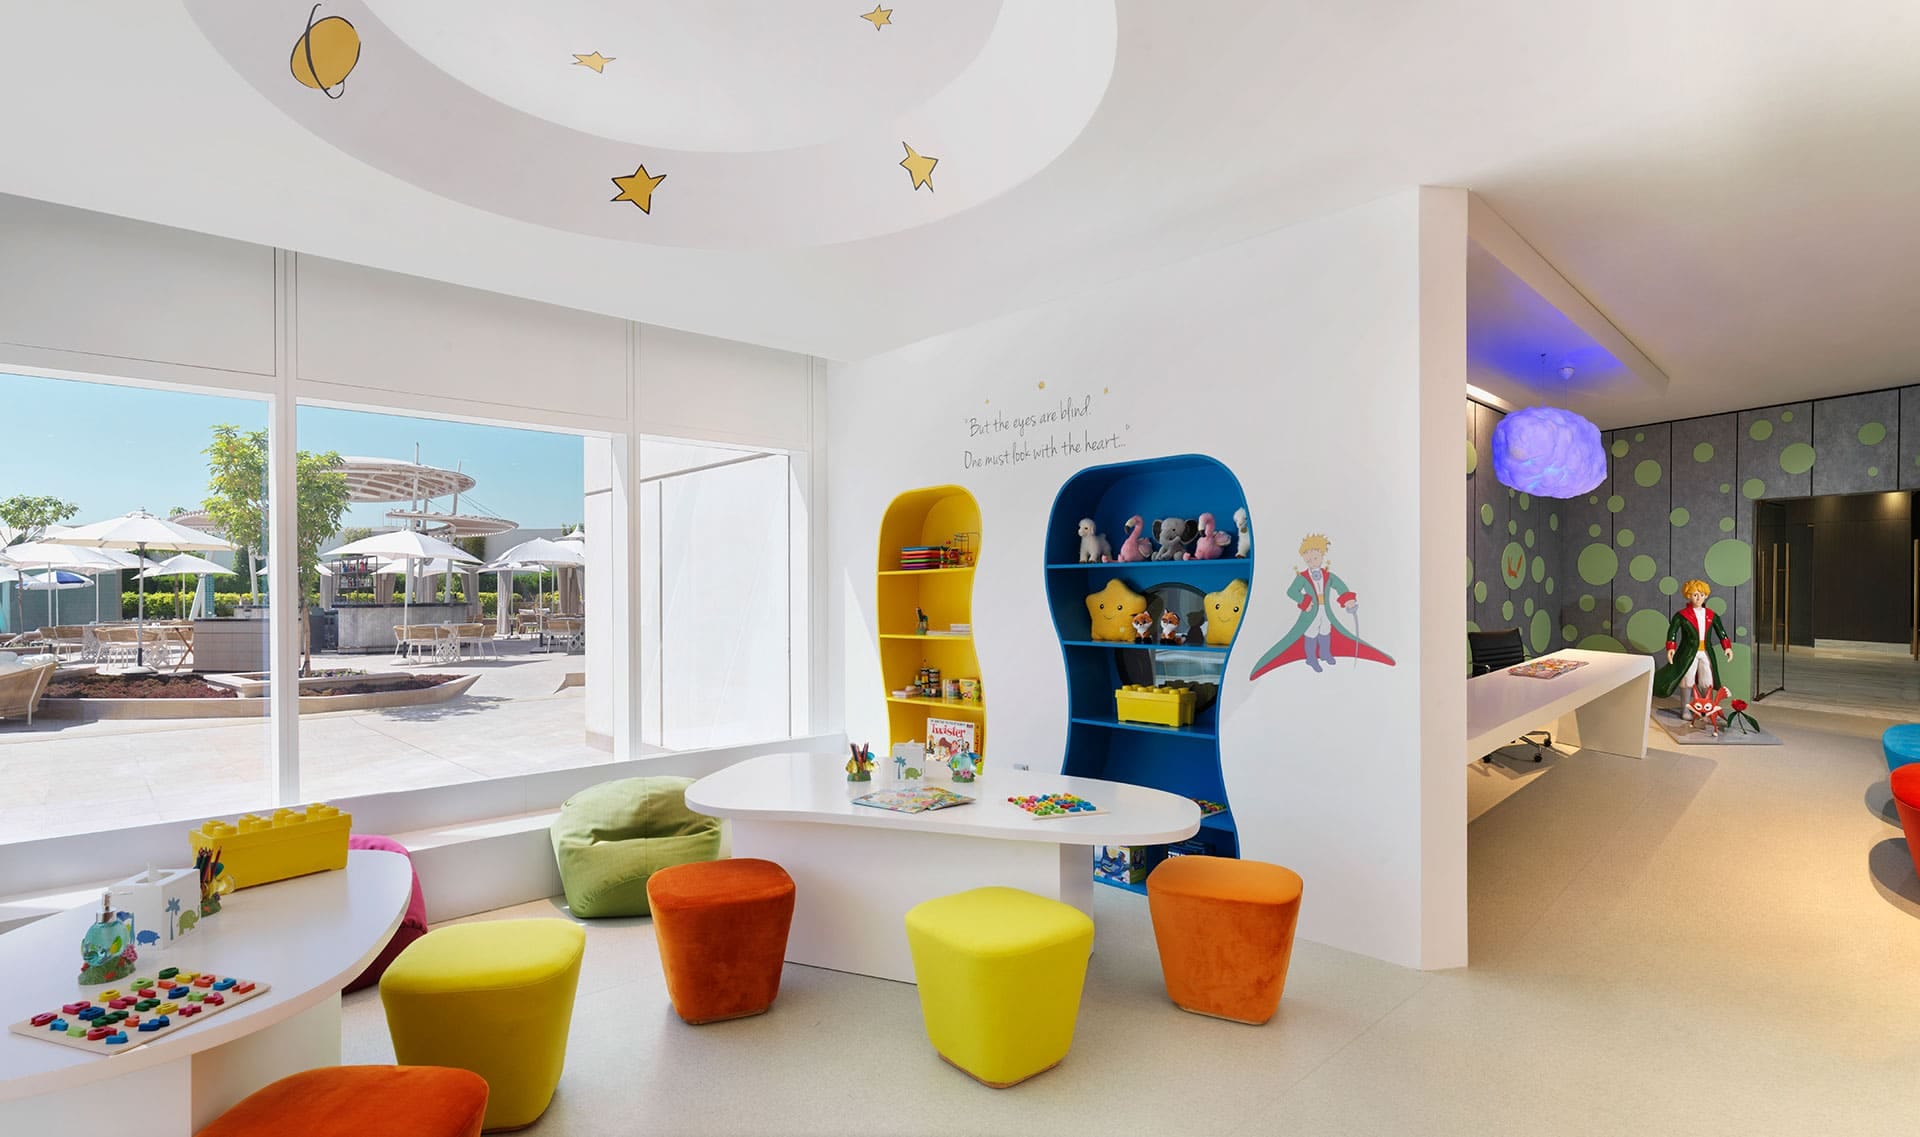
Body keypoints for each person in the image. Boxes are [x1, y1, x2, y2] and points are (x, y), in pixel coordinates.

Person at [1248, 533, 1395, 678]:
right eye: (1308, 559)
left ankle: (1325, 653)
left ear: (1322, 556)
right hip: (1311, 610)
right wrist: (1304, 600)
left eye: (1315, 558)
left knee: (1325, 629)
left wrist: (1347, 599)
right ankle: (1311, 658)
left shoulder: (1327, 575)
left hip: (1325, 608)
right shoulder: (1303, 577)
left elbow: (1339, 586)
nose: (1312, 561)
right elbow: (1292, 591)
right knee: (1311, 632)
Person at [1653, 578, 1733, 714]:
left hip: (1706, 652)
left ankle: (1707, 708)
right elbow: (1672, 632)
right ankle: (1685, 709)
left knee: (1707, 680)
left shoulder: (1711, 615)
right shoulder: (1682, 615)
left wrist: (1727, 647)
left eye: (1702, 594)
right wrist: (1671, 648)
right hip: (1688, 653)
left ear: (1706, 596)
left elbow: (1721, 632)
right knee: (1687, 680)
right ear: (1688, 596)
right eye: (1695, 595)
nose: (1698, 598)